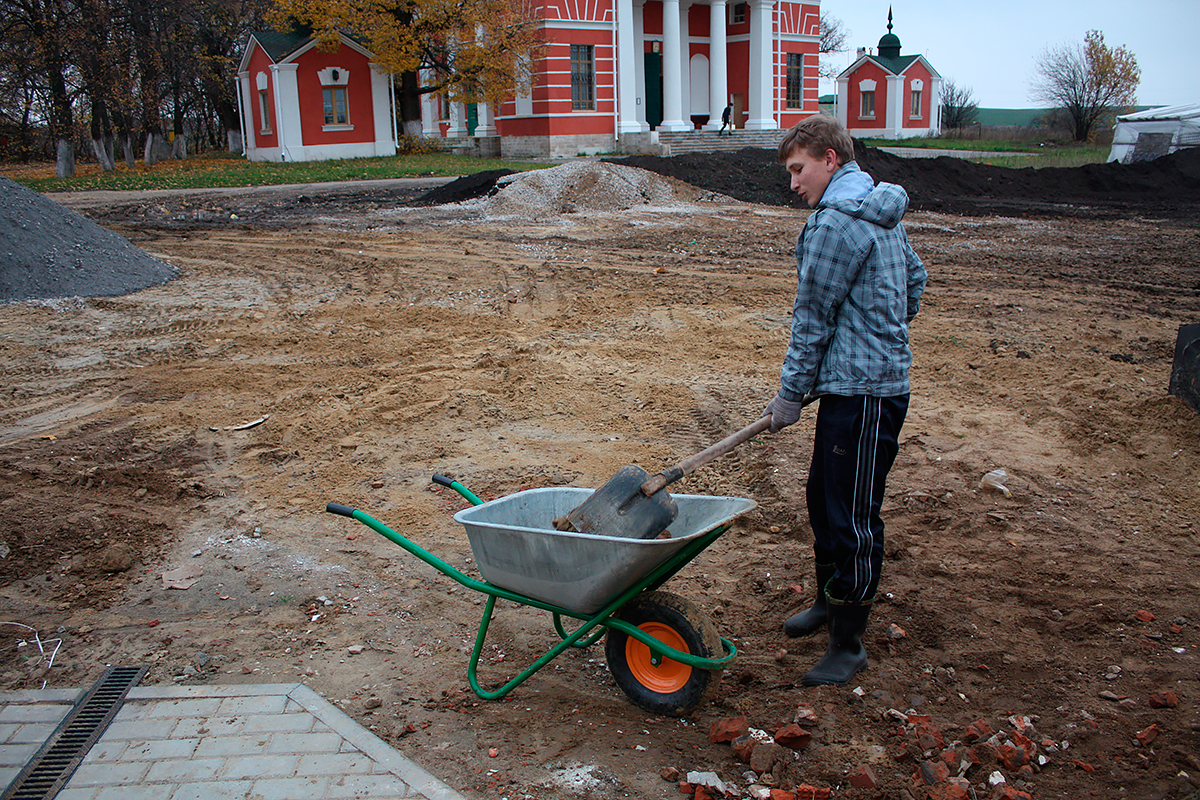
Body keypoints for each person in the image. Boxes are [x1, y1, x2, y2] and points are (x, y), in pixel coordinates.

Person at [763, 114, 926, 686]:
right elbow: (914, 280)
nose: (793, 184)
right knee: (823, 496)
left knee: (851, 515)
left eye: (798, 169)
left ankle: (848, 643)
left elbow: (812, 318)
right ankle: (828, 603)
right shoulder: (879, 209)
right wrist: (881, 331)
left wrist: (790, 394)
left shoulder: (835, 222)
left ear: (829, 160)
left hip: (866, 395)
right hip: (856, 389)